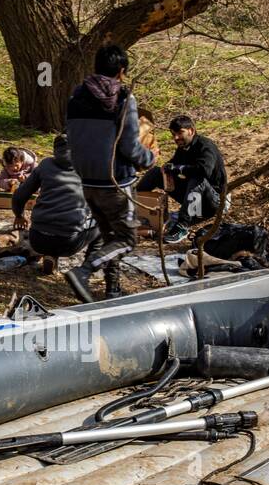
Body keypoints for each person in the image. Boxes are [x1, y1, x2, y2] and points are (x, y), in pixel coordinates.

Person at [62, 44, 156, 301]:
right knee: (126, 240)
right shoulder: (124, 99)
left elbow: (73, 136)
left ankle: (112, 289)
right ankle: (84, 271)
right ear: (121, 71)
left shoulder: (77, 95)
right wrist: (149, 158)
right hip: (116, 183)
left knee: (108, 237)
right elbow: (129, 146)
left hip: (88, 182)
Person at [136, 114, 227, 243]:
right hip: (194, 199)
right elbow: (173, 165)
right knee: (156, 172)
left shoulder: (205, 146)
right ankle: (132, 205)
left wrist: (179, 168)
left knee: (197, 178)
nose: (176, 138)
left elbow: (204, 171)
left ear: (191, 131)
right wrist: (166, 168)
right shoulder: (183, 147)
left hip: (213, 201)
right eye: (173, 134)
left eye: (180, 133)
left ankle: (182, 226)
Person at [12, 134, 95, 276]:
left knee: (53, 224)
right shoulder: (88, 166)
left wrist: (19, 215)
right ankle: (86, 270)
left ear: (55, 149)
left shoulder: (45, 164)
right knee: (102, 224)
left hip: (38, 238)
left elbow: (19, 196)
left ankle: (50, 257)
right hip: (69, 242)